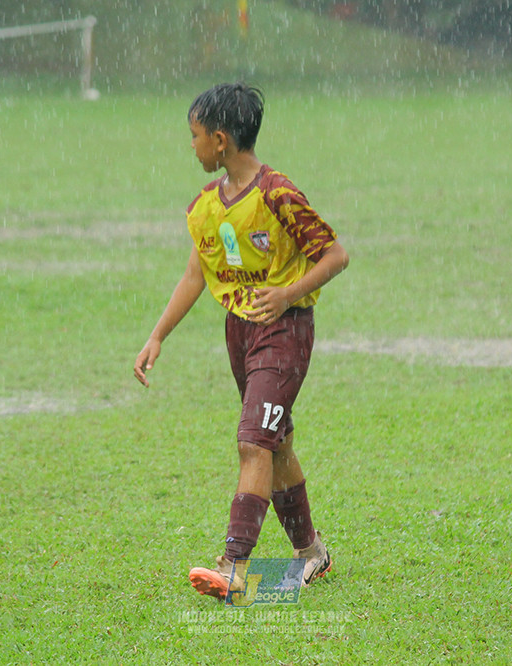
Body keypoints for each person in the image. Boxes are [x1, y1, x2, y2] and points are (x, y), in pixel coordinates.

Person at [133, 82, 349, 600]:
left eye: (195, 136)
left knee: (253, 442)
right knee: (275, 443)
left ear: (221, 140)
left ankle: (234, 565)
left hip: (285, 331)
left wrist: (287, 293)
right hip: (240, 333)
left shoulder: (278, 195)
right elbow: (195, 276)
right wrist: (157, 335)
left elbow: (336, 255)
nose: (192, 146)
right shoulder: (209, 206)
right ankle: (311, 553)